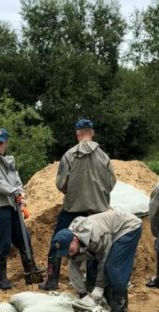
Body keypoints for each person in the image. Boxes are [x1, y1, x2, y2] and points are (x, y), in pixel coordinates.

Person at [38, 118, 116, 291]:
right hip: (97, 211)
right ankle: (92, 282)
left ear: (77, 134)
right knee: (94, 246)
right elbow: (111, 183)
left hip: (73, 208)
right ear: (92, 133)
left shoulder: (69, 155)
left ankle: (52, 279)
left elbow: (61, 184)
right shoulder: (104, 157)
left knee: (58, 241)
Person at [53, 209, 142, 312]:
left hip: (126, 227)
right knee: (92, 272)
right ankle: (106, 308)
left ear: (74, 239)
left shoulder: (95, 235)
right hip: (108, 236)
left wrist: (99, 287)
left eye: (69, 249)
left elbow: (104, 258)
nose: (68, 253)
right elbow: (73, 266)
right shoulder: (70, 240)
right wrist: (83, 294)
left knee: (113, 269)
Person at [0, 127, 42, 290]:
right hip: (0, 205)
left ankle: (31, 270)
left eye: (1, 143)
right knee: (2, 241)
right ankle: (1, 278)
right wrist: (14, 192)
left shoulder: (9, 160)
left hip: (13, 203)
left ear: (6, 143)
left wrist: (22, 199)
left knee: (23, 237)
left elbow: (17, 182)